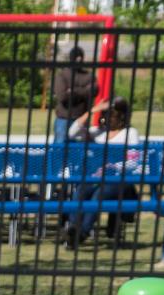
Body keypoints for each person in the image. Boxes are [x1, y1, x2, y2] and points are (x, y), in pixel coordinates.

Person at [60, 95, 142, 247]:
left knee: (99, 195)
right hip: (94, 178)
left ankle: (82, 233)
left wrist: (114, 167)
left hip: (118, 180)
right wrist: (93, 110)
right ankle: (72, 229)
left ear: (122, 116)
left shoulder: (130, 133)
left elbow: (134, 162)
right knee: (80, 192)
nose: (108, 117)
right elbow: (72, 132)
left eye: (113, 114)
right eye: (106, 113)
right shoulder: (97, 132)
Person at [51, 47, 97, 145]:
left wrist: (72, 91)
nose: (78, 60)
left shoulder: (89, 76)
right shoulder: (62, 75)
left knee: (79, 151)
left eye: (80, 58)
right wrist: (84, 90)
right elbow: (62, 96)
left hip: (81, 120)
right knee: (60, 150)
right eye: (76, 58)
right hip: (63, 120)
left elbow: (94, 91)